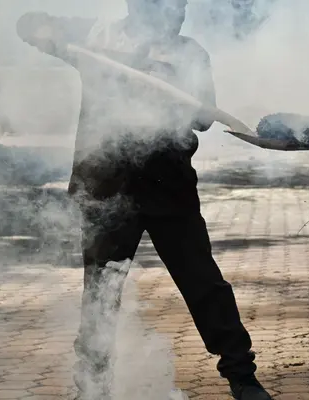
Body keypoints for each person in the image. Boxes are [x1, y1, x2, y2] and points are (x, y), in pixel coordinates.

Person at [15, 1, 272, 399]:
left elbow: (203, 117)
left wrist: (167, 79)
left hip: (169, 184)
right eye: (168, 5)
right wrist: (35, 27)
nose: (178, 13)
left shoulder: (189, 53)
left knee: (203, 281)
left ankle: (242, 375)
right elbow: (30, 25)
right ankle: (93, 386)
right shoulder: (99, 37)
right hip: (106, 185)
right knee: (102, 289)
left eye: (181, 6)